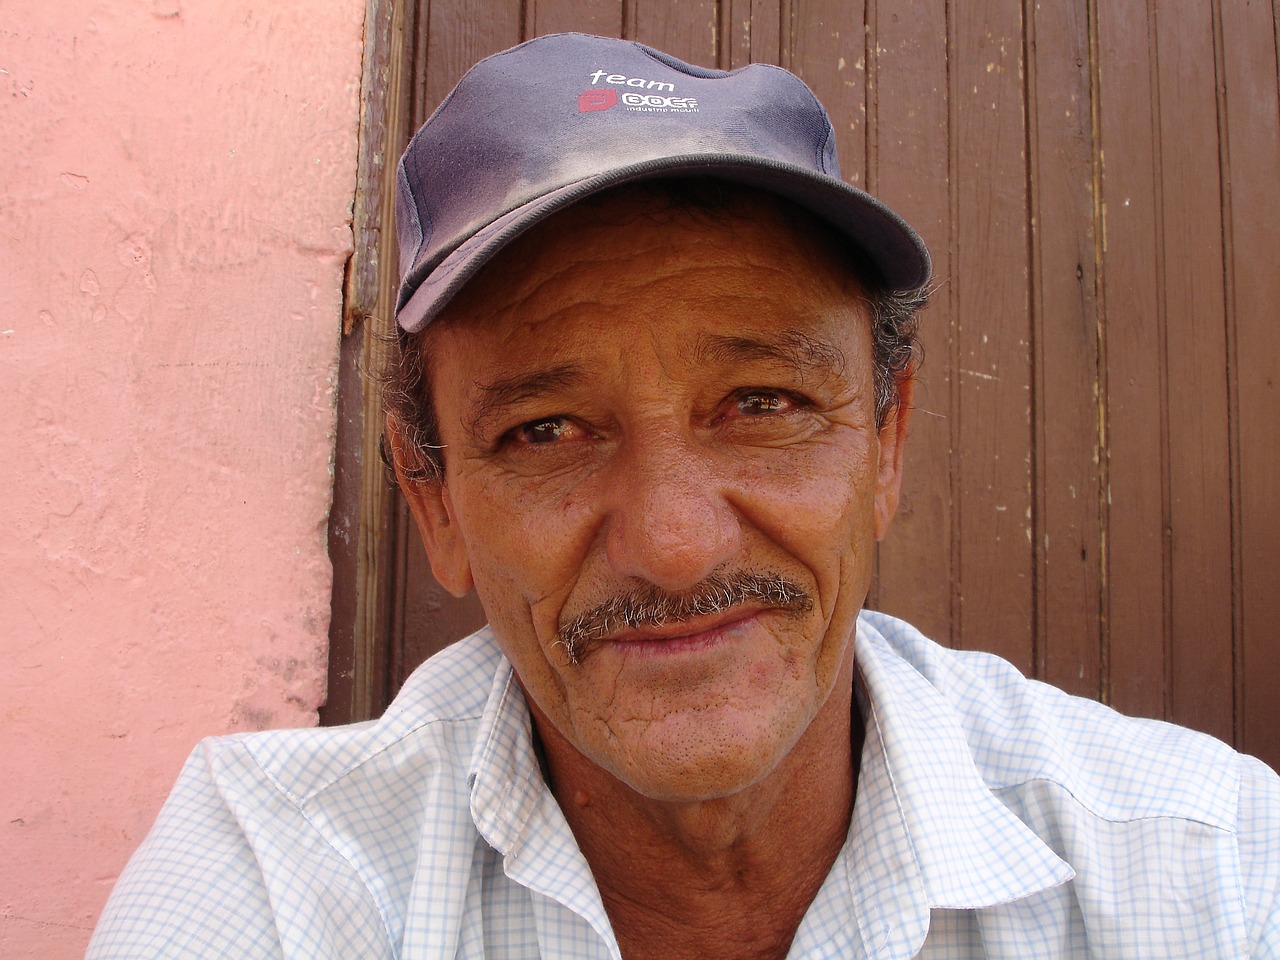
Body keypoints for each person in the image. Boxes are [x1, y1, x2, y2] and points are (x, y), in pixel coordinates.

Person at [87, 32, 1278, 959]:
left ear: (887, 441)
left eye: (760, 404)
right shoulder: (276, 880)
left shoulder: (1202, 865)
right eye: (545, 431)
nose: (670, 545)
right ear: (435, 503)